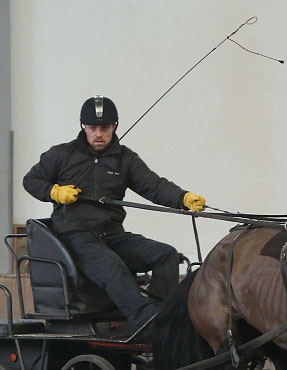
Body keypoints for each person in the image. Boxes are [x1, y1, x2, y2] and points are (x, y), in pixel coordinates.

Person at [22, 95, 206, 327]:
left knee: (166, 255)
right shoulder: (61, 155)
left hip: (113, 235)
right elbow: (31, 180)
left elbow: (154, 186)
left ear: (115, 127)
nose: (98, 134)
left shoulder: (125, 159)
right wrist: (54, 192)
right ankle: (148, 323)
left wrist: (183, 198)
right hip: (76, 237)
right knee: (112, 267)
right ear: (83, 127)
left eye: (105, 128)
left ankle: (164, 313)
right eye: (93, 128)